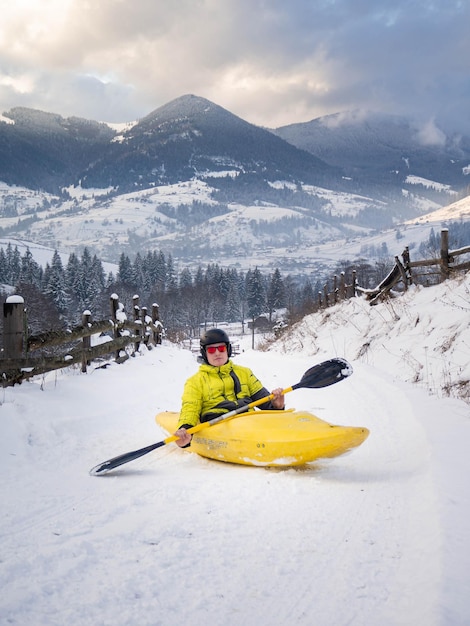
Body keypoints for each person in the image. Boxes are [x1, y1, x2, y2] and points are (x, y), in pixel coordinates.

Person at [175, 328, 285, 447]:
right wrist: (185, 428)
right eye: (211, 350)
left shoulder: (245, 373)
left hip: (247, 419)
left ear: (228, 350)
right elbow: (190, 408)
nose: (217, 353)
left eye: (221, 348)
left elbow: (263, 400)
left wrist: (276, 405)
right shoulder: (195, 381)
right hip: (217, 424)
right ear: (204, 353)